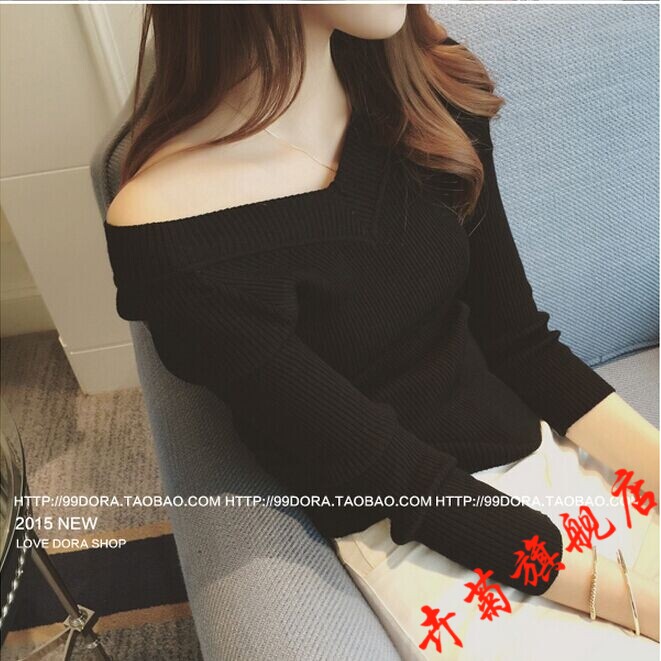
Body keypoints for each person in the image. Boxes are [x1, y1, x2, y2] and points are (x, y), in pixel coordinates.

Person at [103, 5, 659, 658]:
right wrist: (629, 599)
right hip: (415, 530)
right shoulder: (174, 231)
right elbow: (395, 476)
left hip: (541, 462)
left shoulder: (422, 88)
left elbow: (521, 343)